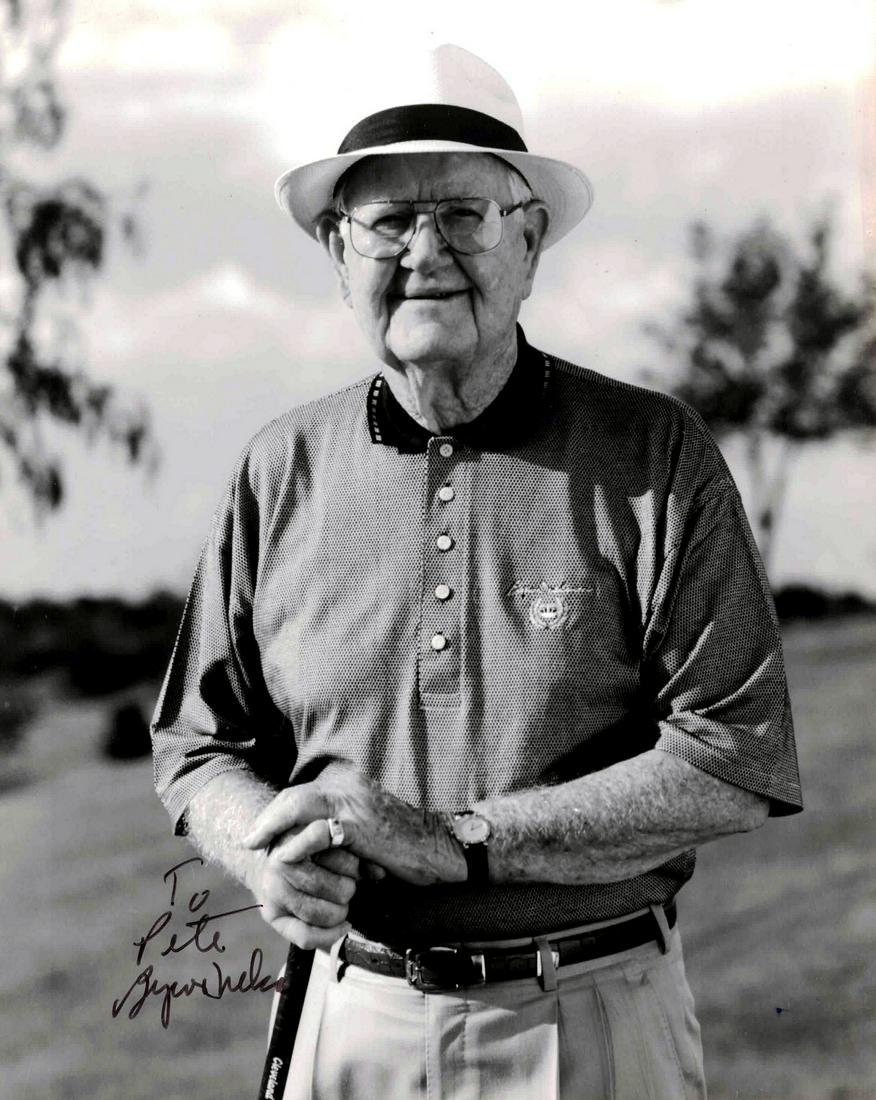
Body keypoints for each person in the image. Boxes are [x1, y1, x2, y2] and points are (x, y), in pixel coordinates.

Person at [151, 44, 802, 1100]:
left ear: (531, 238)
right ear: (335, 248)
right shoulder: (279, 467)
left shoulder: (654, 452)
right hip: (346, 1013)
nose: (425, 251)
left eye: (463, 213)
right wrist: (263, 854)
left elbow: (732, 756)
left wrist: (460, 837)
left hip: (591, 1018)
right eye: (387, 222)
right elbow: (197, 744)